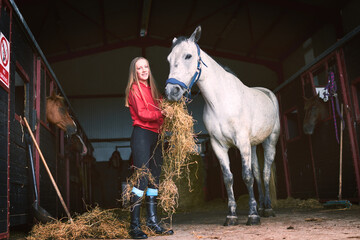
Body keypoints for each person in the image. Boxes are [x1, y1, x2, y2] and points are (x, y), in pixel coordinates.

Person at [125, 57, 173, 239]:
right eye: (139, 68)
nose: (144, 70)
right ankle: (134, 226)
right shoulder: (134, 89)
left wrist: (168, 117)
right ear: (134, 72)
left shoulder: (154, 90)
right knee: (142, 179)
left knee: (154, 180)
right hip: (142, 135)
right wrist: (162, 112)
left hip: (156, 136)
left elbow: (162, 114)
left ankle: (152, 223)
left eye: (146, 66)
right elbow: (143, 114)